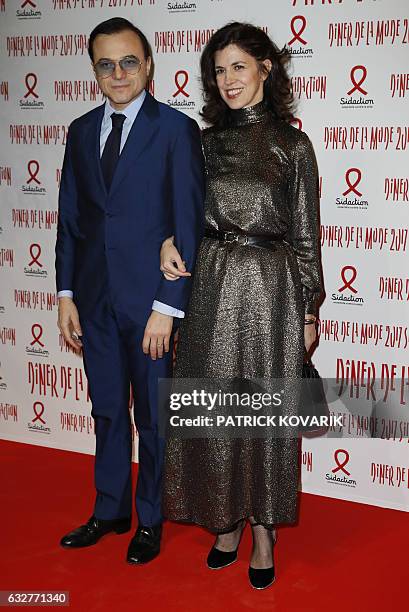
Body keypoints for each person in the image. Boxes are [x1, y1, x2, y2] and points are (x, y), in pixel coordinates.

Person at [159, 22, 323, 589]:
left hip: (271, 289)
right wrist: (166, 241)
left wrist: (309, 310)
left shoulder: (291, 144)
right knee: (213, 408)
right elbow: (177, 213)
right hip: (209, 286)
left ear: (266, 68)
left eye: (239, 66)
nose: (228, 79)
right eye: (219, 69)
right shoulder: (199, 143)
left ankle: (262, 531)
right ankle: (223, 522)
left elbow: (306, 233)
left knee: (262, 414)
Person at [55, 17, 205, 564]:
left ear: (148, 66)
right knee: (107, 410)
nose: (118, 73)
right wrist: (66, 293)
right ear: (93, 69)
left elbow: (186, 224)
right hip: (93, 302)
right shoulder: (78, 130)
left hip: (151, 308)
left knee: (153, 419)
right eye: (105, 63)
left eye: (128, 61)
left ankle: (151, 518)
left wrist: (168, 307)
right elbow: (71, 218)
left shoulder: (175, 131)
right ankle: (111, 508)